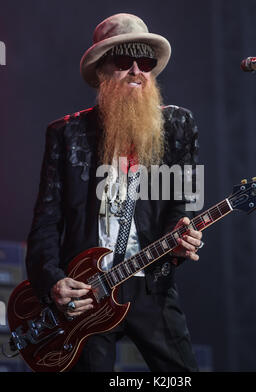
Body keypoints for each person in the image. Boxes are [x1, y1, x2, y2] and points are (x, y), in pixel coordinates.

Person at [26, 13, 203, 372]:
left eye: (146, 61)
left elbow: (185, 207)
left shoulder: (180, 125)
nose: (137, 70)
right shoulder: (66, 134)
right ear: (102, 72)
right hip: (88, 290)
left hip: (150, 284)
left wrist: (184, 234)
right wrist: (52, 282)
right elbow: (45, 224)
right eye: (124, 61)